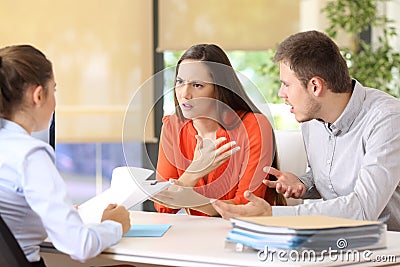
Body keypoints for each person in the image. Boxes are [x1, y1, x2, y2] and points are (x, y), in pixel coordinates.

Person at [212, 30, 400, 231]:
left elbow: (363, 209)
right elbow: (326, 177)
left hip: (386, 245)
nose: (281, 93)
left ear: (315, 86)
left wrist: (272, 215)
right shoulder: (311, 118)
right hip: (334, 238)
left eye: (286, 84)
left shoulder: (387, 119)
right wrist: (303, 184)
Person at [0, 45, 131, 266]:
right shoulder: (30, 155)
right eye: (55, 90)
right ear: (38, 95)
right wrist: (115, 224)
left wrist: (64, 216)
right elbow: (79, 246)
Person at [152, 44, 285, 216]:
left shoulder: (255, 126)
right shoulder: (173, 126)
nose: (184, 94)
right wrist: (194, 172)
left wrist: (186, 198)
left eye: (197, 85)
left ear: (219, 88)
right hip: (193, 234)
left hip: (244, 230)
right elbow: (163, 206)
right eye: (180, 82)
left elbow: (248, 204)